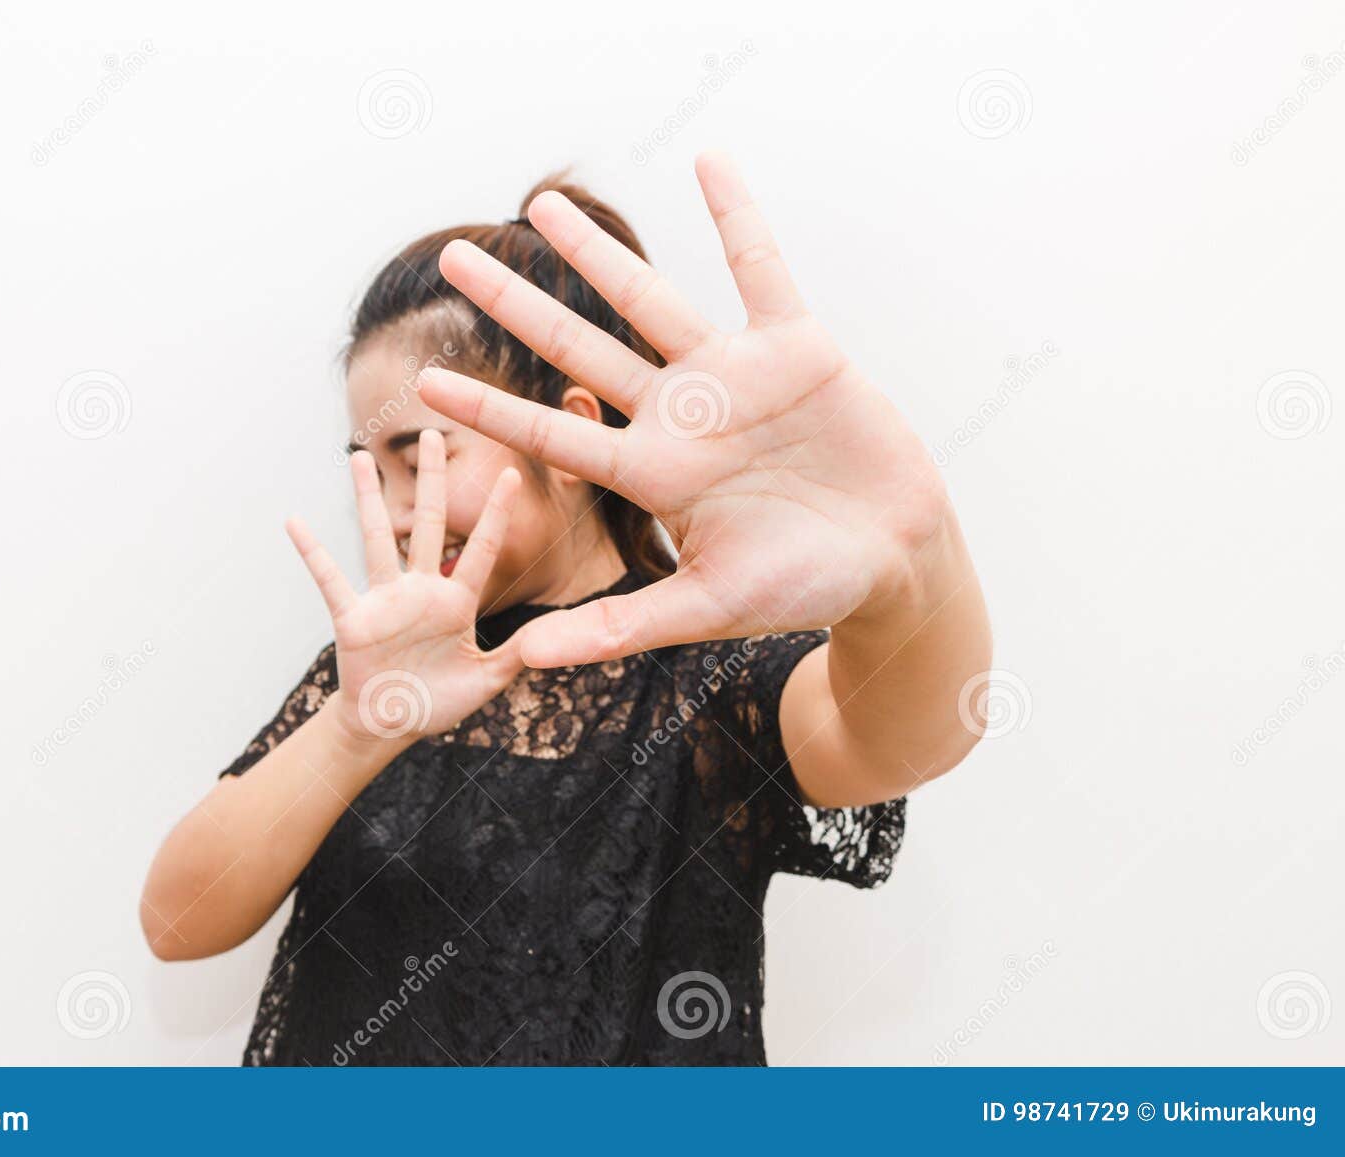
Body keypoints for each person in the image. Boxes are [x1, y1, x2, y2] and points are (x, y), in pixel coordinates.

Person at [140, 152, 993, 1065]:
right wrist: (354, 728)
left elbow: (903, 734)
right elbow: (177, 921)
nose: (392, 509)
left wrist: (914, 554)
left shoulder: (706, 672)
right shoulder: (378, 676)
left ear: (575, 429)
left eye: (422, 454)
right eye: (371, 468)